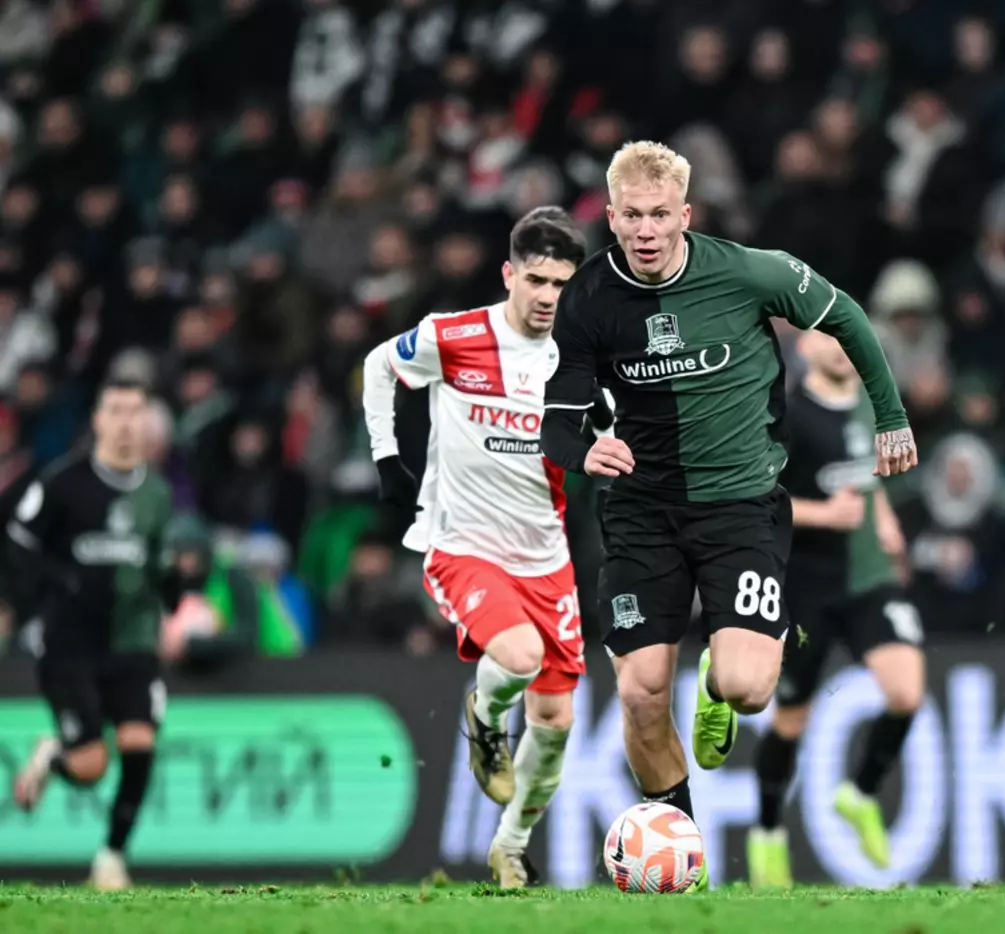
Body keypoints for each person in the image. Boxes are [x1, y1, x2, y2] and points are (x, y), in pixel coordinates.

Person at [540, 141, 917, 884]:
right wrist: (584, 452)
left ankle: (717, 677)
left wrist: (891, 415)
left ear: (686, 214)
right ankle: (684, 859)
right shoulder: (586, 300)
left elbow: (844, 314)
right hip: (642, 513)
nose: (646, 230)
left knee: (749, 689)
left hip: (741, 508)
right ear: (610, 217)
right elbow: (558, 420)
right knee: (642, 692)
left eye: (659, 215)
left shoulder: (748, 272)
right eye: (632, 216)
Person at [362, 207, 604, 890]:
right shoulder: (456, 335)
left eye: (561, 283)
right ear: (509, 274)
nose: (548, 296)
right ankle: (485, 713)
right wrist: (386, 455)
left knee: (555, 722)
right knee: (519, 657)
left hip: (545, 557)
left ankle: (510, 848)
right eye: (536, 279)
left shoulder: (582, 358)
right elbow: (379, 365)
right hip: (463, 545)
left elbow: (608, 431)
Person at [747, 328, 926, 889]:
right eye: (829, 338)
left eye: (849, 337)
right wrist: (825, 515)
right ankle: (768, 833)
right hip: (806, 586)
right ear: (805, 349)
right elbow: (759, 499)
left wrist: (886, 524)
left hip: (868, 577)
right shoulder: (788, 416)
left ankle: (860, 794)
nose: (842, 348)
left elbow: (868, 481)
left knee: (906, 691)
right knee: (790, 720)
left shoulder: (874, 403)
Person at [9, 378, 184, 890]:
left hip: (133, 638)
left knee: (139, 741)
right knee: (90, 767)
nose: (127, 422)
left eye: (135, 411)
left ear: (147, 422)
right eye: (116, 411)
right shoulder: (63, 482)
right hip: (70, 644)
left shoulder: (157, 493)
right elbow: (19, 540)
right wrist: (47, 588)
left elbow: (160, 559)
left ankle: (111, 858)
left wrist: (175, 587)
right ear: (98, 420)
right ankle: (54, 756)